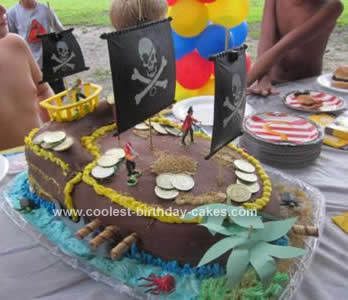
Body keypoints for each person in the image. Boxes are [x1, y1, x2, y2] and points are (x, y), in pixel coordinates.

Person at [247, 0, 344, 97]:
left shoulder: (332, 6)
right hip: (272, 84)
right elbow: (266, 39)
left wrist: (244, 83)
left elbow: (283, 47)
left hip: (307, 86)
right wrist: (263, 78)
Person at [0, 5, 53, 151]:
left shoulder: (16, 44)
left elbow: (43, 92)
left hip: (42, 153)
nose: (3, 9)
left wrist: (57, 133)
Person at [7, 0, 65, 93]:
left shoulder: (45, 9)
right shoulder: (11, 13)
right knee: (39, 94)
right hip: (30, 64)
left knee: (59, 92)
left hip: (50, 59)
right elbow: (12, 40)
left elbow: (60, 31)